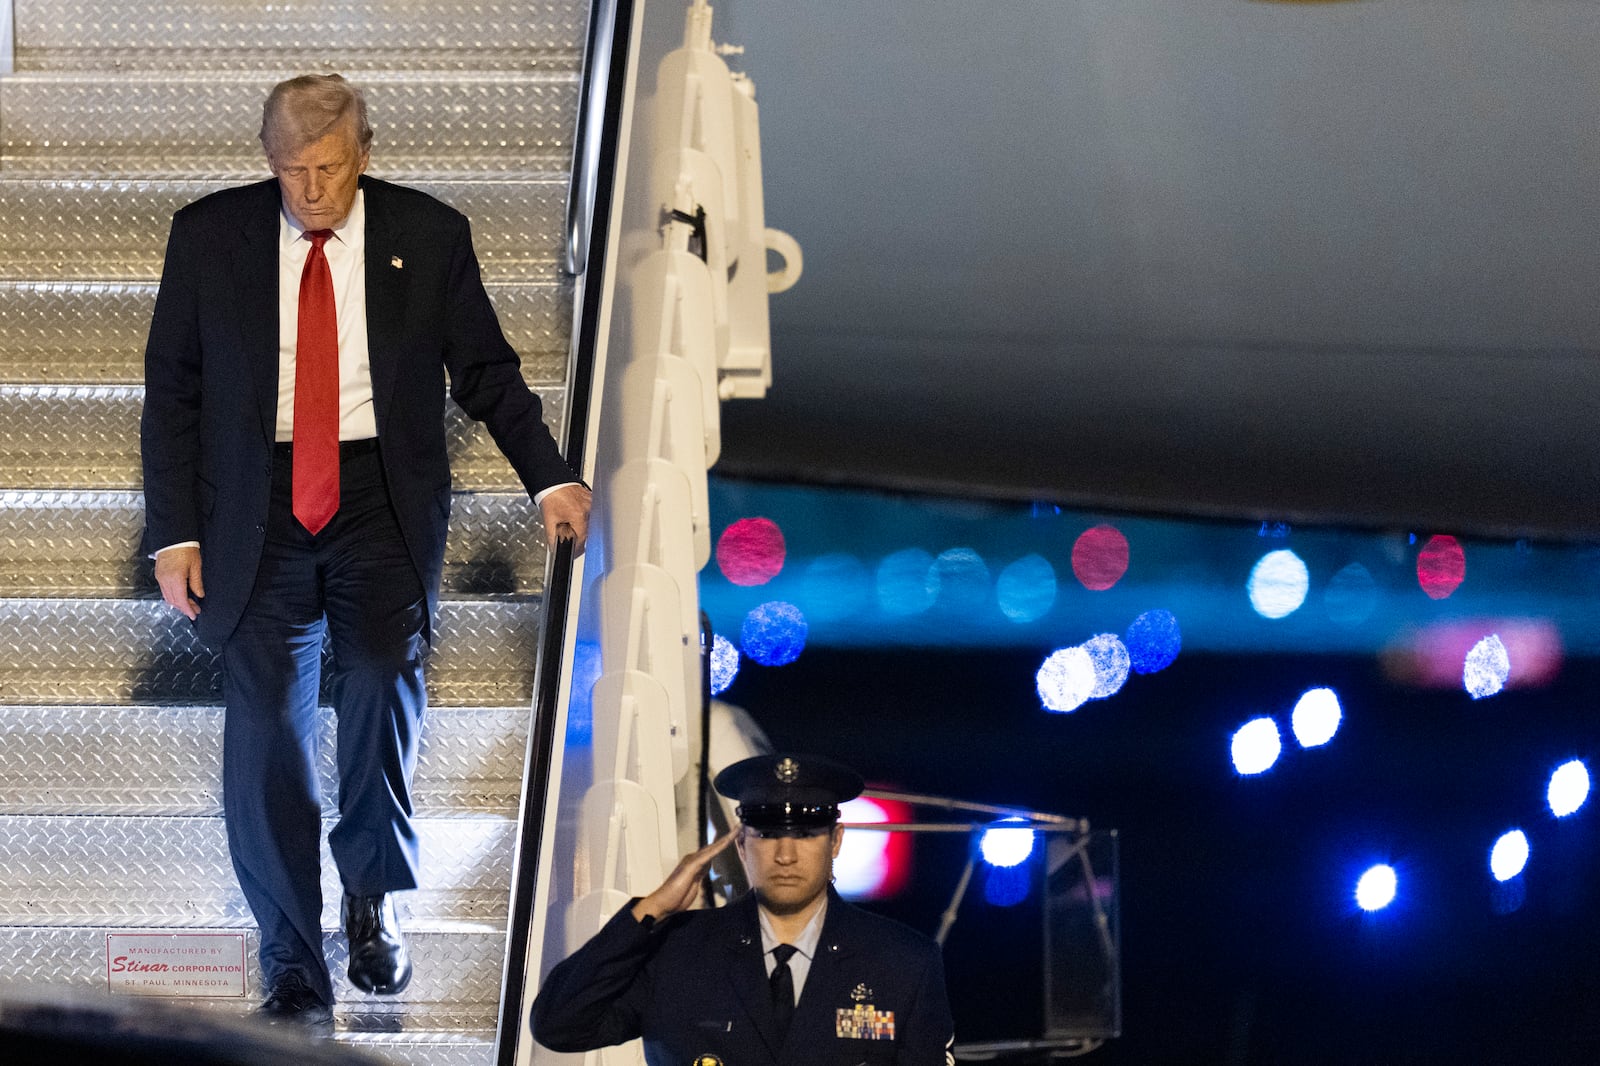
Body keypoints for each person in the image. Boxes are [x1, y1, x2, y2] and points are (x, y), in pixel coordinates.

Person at [139, 73, 592, 1028]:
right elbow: (172, 390)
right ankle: (294, 964)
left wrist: (549, 477)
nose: (310, 190)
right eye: (292, 171)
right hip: (252, 508)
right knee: (265, 726)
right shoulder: (210, 236)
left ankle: (371, 895)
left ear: (366, 153)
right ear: (268, 163)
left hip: (379, 499)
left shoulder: (426, 236)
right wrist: (175, 533)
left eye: (330, 169)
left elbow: (485, 370)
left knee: (384, 682)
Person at [532, 753, 956, 1065]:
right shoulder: (677, 951)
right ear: (741, 844)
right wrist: (652, 910)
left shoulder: (902, 961)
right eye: (768, 834)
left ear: (836, 841)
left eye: (806, 835)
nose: (786, 856)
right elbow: (560, 1025)